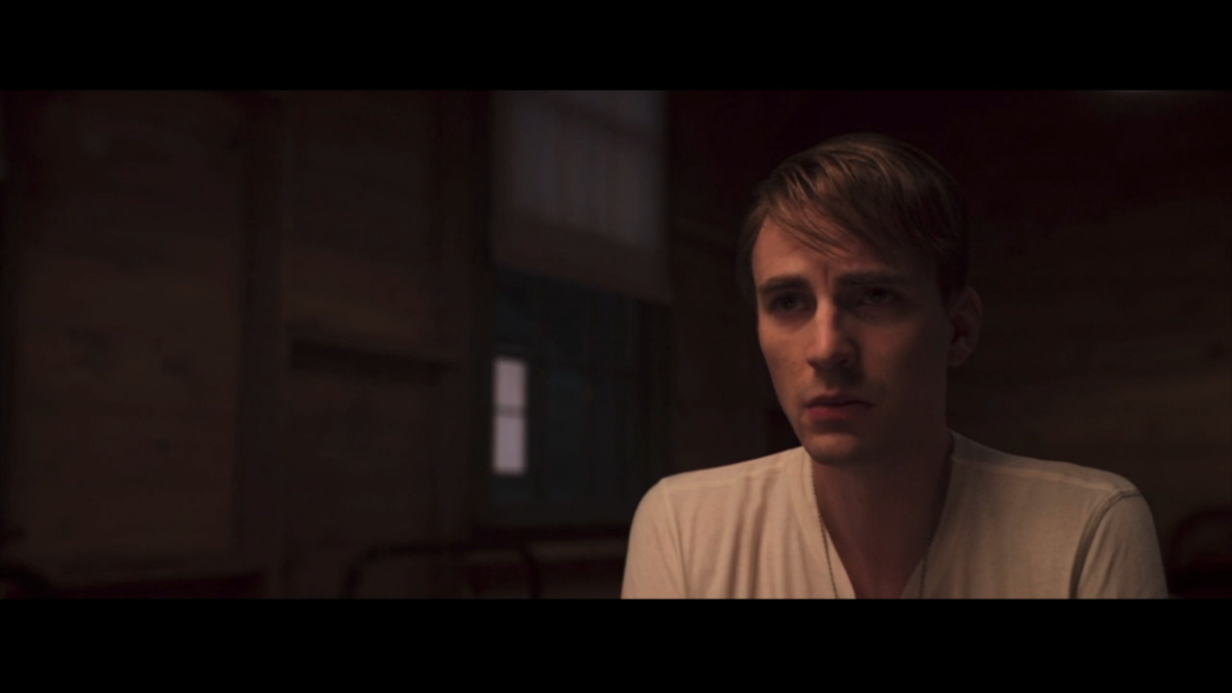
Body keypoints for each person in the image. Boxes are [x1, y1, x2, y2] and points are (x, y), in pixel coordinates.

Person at [621, 133, 1168, 598]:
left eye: (876, 296)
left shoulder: (1086, 527)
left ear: (959, 329)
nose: (826, 348)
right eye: (789, 302)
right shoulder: (684, 527)